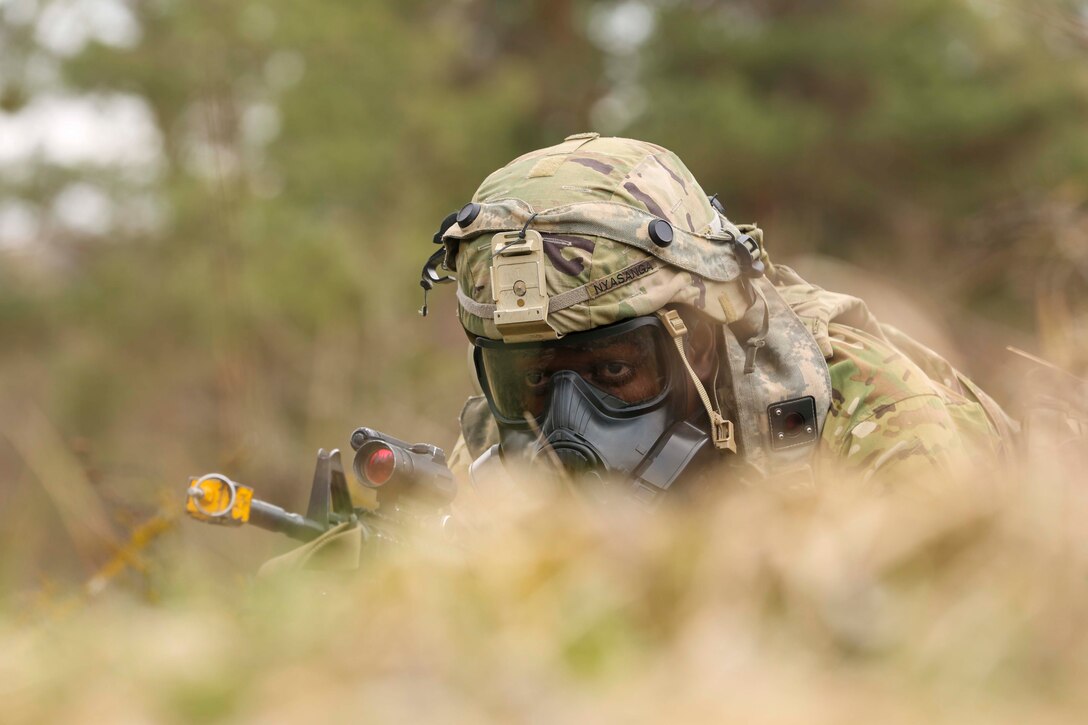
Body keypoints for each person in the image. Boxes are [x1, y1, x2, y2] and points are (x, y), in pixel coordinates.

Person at [434, 134, 1016, 500]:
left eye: (612, 373)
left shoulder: (876, 416)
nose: (563, 426)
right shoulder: (505, 438)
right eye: (533, 378)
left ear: (703, 340)